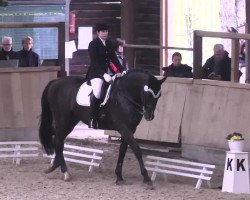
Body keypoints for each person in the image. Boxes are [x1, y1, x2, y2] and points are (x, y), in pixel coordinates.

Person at [86, 23, 126, 129]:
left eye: (106, 31)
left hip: (108, 72)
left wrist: (122, 70)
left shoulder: (109, 43)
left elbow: (113, 59)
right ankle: (92, 118)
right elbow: (94, 63)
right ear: (98, 33)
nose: (105, 33)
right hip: (96, 73)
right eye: (103, 31)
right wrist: (103, 74)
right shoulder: (93, 44)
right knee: (98, 92)